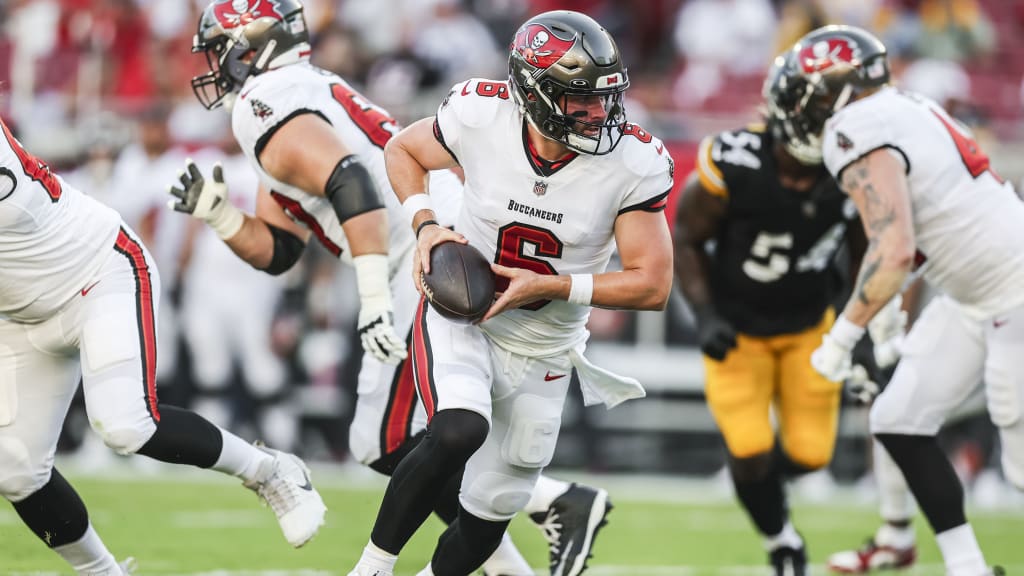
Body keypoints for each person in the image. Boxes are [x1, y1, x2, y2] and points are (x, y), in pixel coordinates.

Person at [177, 3, 616, 575]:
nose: (217, 63)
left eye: (222, 47)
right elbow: (279, 250)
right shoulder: (289, 95)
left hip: (423, 248)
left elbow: (350, 179)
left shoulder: (264, 103)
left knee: (388, 440)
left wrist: (374, 299)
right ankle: (524, 541)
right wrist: (220, 216)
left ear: (253, 46)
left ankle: (547, 502)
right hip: (428, 238)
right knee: (393, 440)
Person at [348, 10, 674, 576]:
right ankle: (370, 569)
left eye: (604, 97)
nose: (599, 114)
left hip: (546, 341)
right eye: (580, 100)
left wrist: (547, 285)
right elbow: (403, 149)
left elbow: (652, 283)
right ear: (536, 94)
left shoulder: (632, 162)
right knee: (458, 428)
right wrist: (425, 223)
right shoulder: (482, 114)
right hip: (464, 313)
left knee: (489, 510)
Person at [0, 121, 326, 575]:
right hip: (19, 314)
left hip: (96, 277)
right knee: (15, 470)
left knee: (125, 424)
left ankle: (270, 470)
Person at [770, 25, 1024, 576]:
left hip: (1013, 290)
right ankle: (966, 566)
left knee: (1023, 464)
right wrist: (883, 314)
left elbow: (895, 247)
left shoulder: (853, 126)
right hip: (972, 292)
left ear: (832, 90)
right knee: (899, 417)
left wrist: (842, 337)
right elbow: (918, 233)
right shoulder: (899, 106)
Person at [671, 51, 889, 576]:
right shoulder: (736, 159)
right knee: (749, 448)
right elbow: (686, 238)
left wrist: (855, 327)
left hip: (808, 326)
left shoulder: (850, 170)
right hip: (739, 329)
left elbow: (866, 251)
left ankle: (759, 488)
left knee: (811, 455)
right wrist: (703, 315)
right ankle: (781, 540)